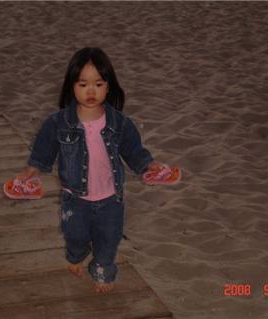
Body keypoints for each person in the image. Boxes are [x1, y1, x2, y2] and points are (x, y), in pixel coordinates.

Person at [16, 47, 164, 293]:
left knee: (109, 240)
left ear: (109, 86)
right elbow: (44, 149)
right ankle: (77, 255)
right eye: (83, 84)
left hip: (110, 199)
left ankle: (102, 272)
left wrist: (149, 164)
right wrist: (32, 170)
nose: (91, 91)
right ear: (72, 86)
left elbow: (133, 150)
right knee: (74, 234)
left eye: (98, 83)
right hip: (75, 198)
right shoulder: (58, 123)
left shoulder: (119, 123)